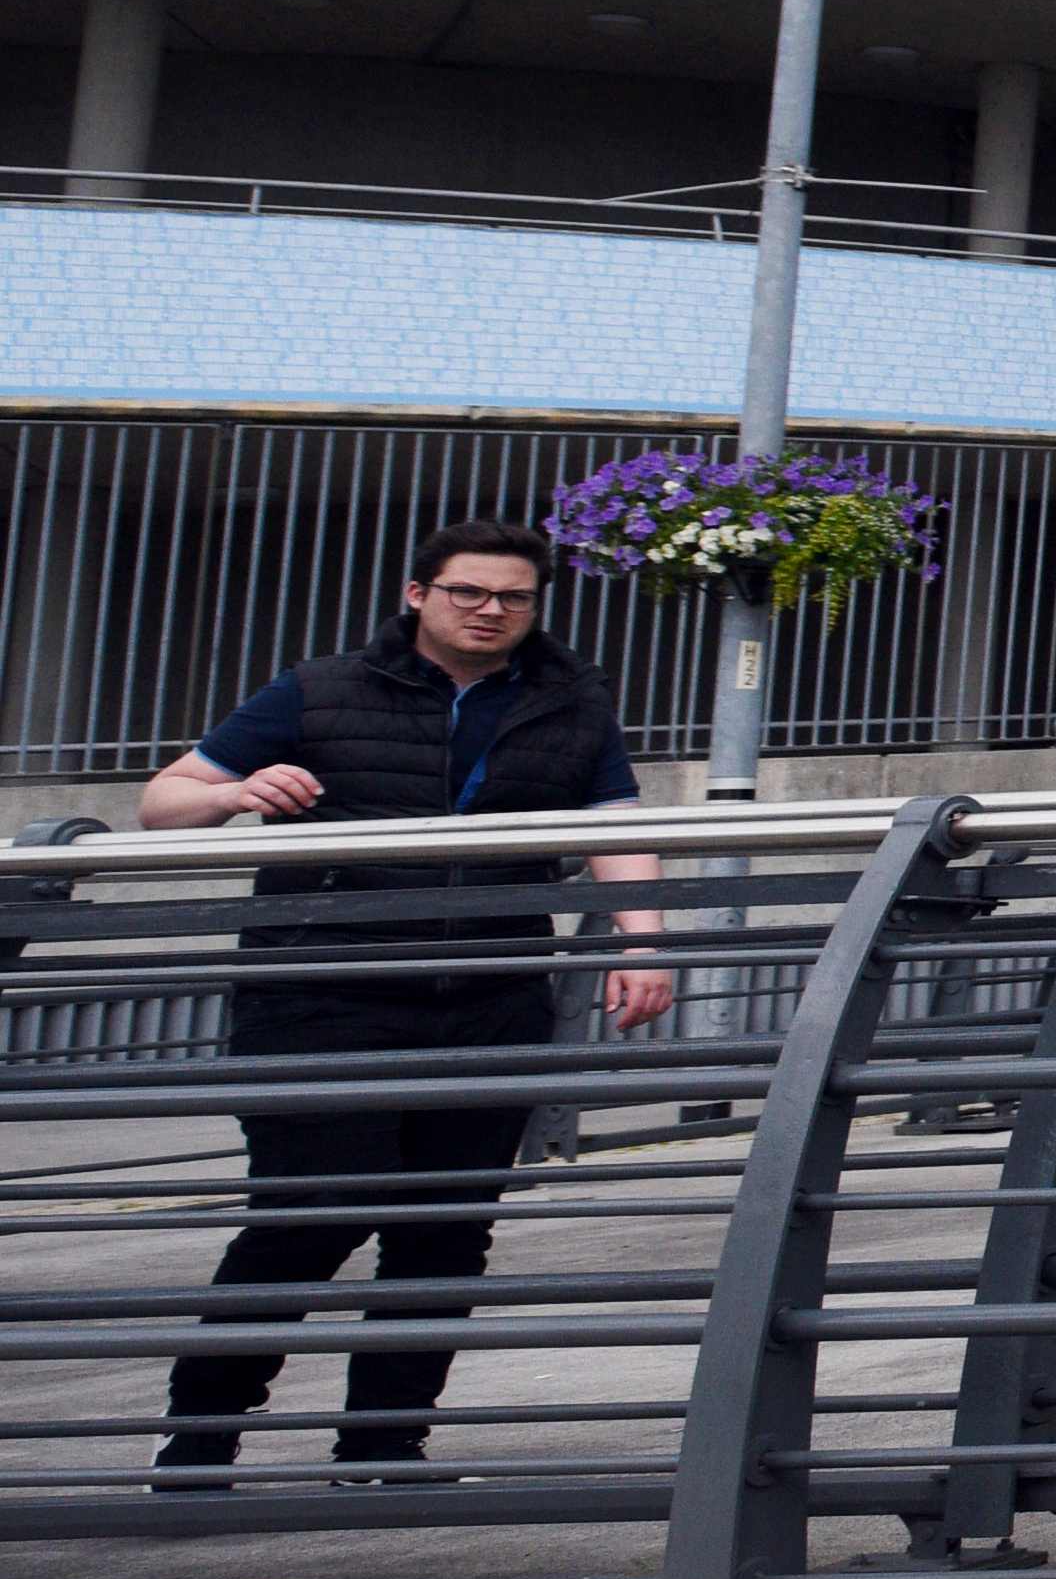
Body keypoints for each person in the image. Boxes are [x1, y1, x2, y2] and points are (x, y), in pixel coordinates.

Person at [142, 523, 668, 1481]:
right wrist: (234, 795)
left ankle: (385, 1444)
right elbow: (163, 801)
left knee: (445, 1226)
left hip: (492, 992)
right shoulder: (319, 689)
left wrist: (645, 938)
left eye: (513, 597)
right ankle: (200, 1435)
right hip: (320, 993)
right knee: (313, 1209)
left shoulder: (571, 702)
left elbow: (613, 825)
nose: (491, 611)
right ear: (418, 594)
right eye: (469, 592)